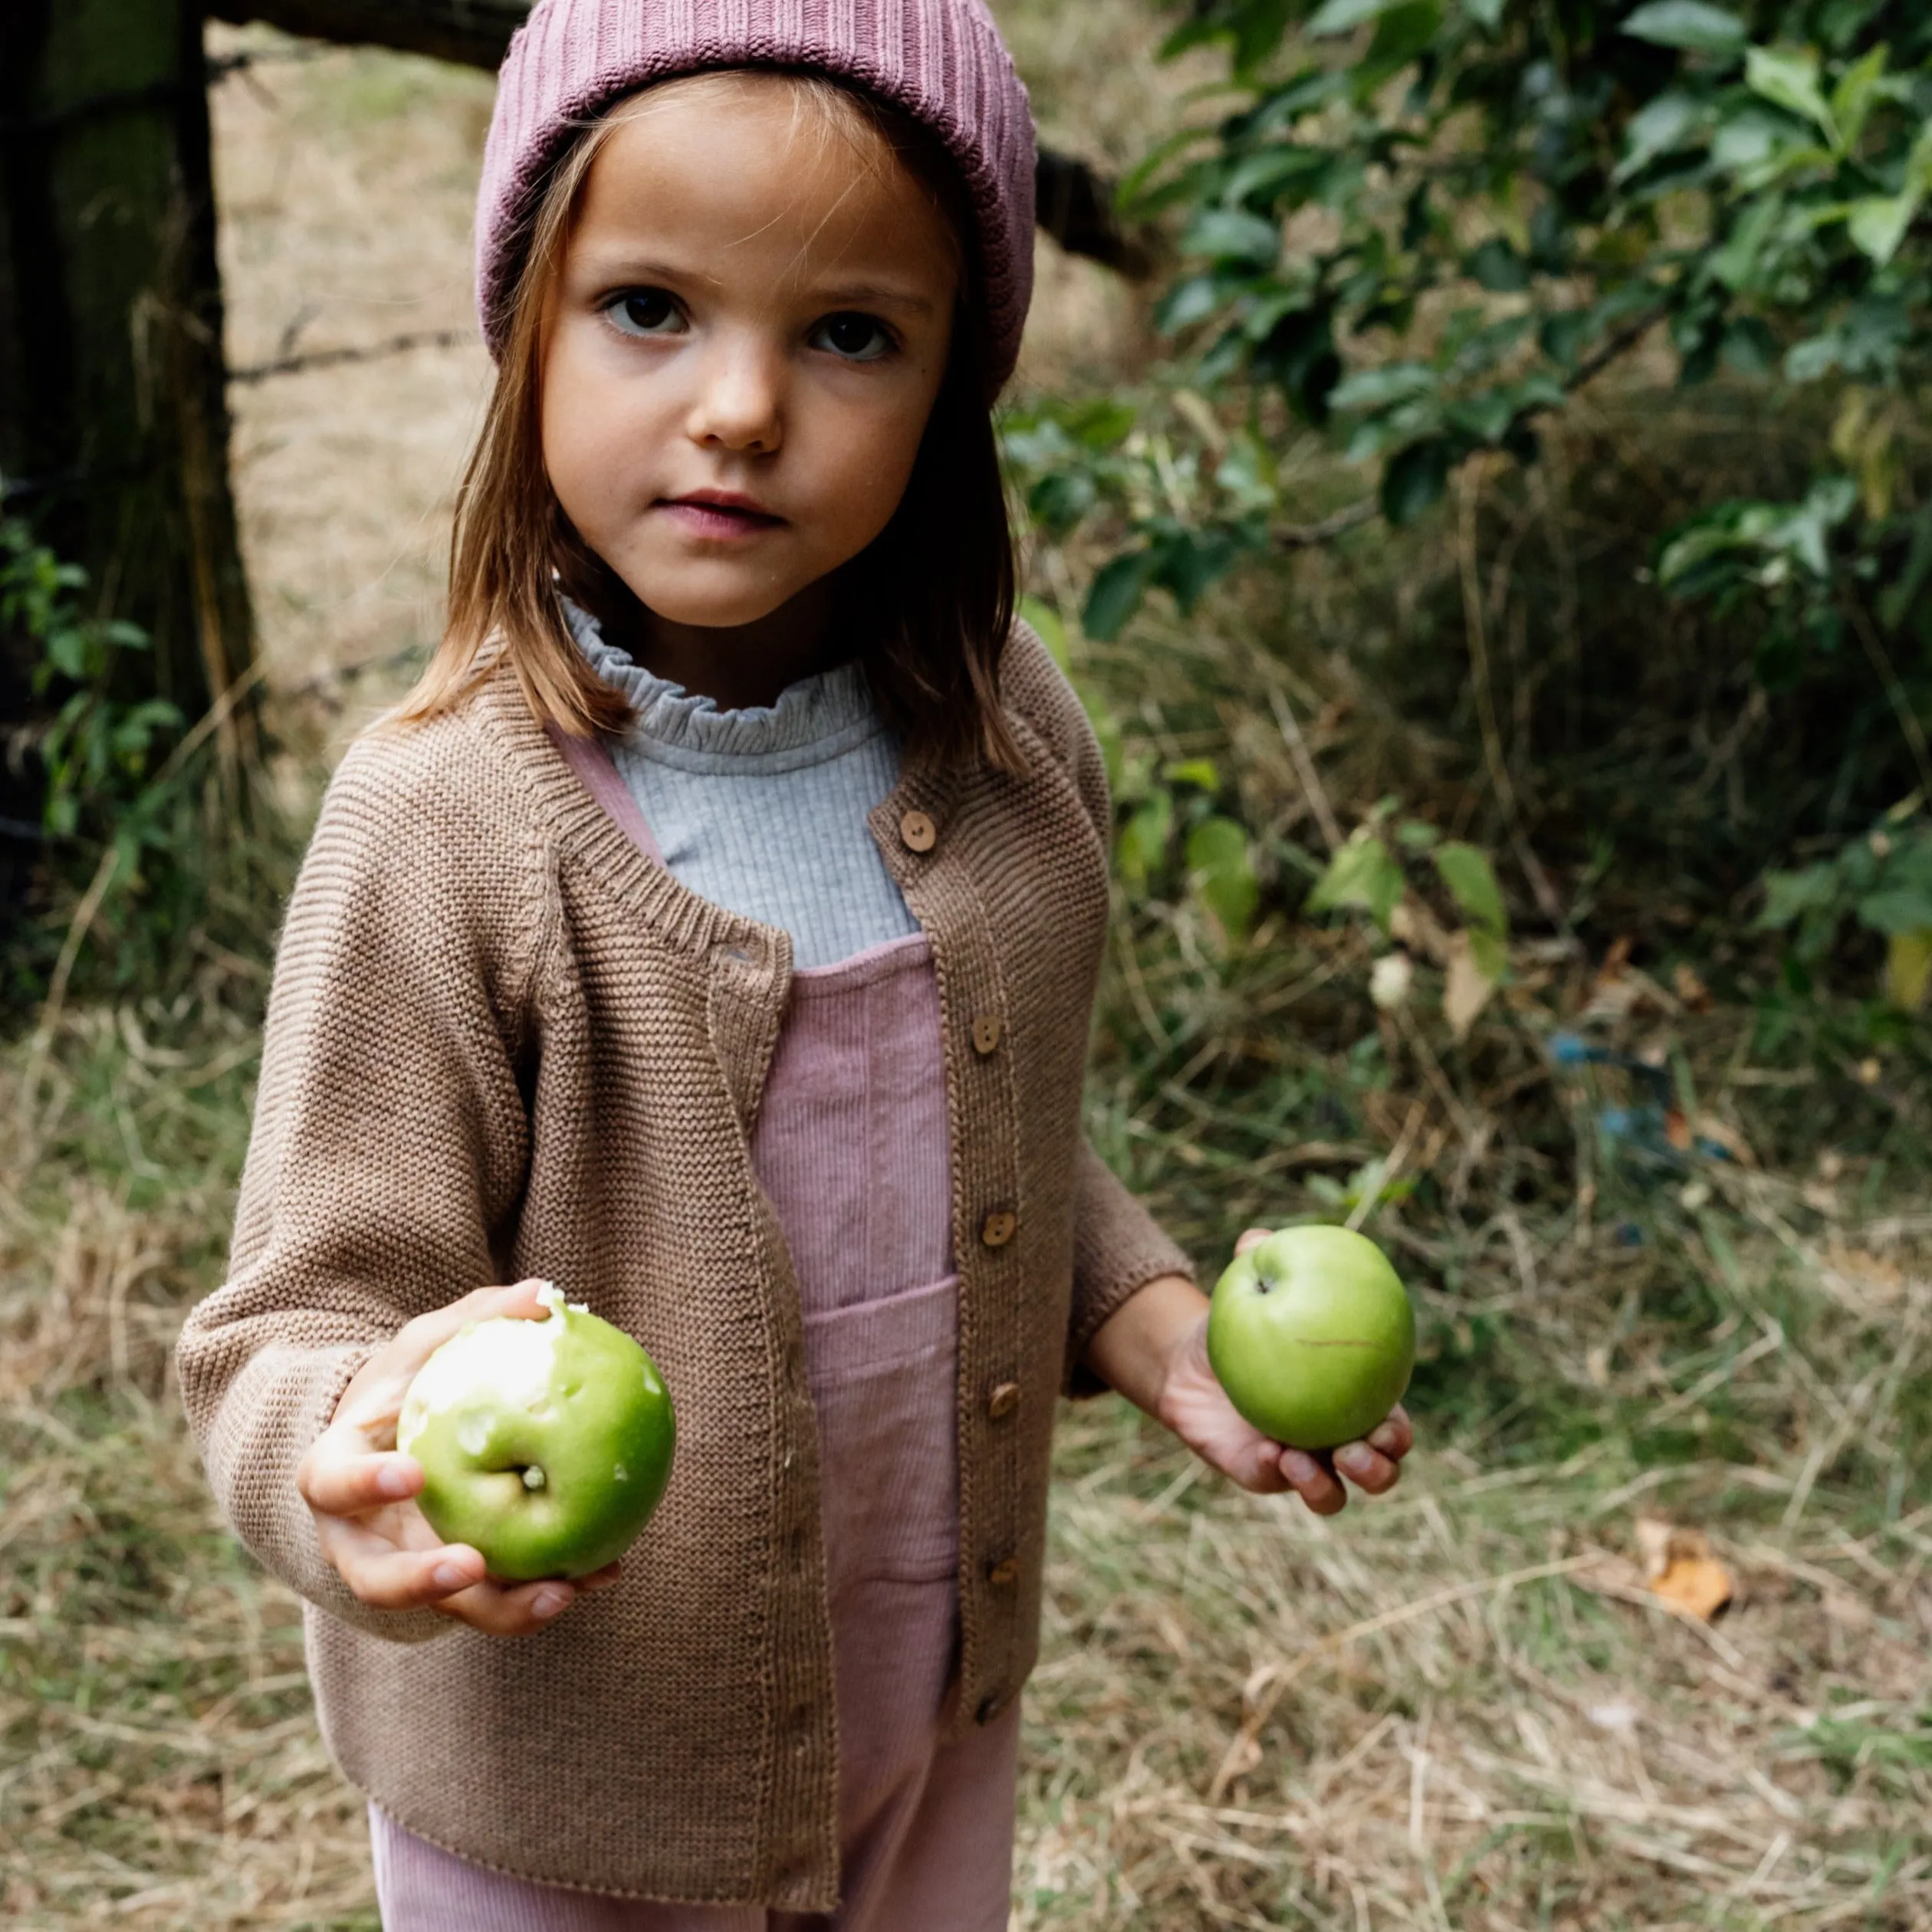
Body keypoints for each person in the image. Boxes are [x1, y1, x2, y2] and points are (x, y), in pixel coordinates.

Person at [173, 2, 1414, 1925]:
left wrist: (1155, 1324)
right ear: (528, 332)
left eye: (848, 333)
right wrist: (345, 1462)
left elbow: (979, 1142)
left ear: (949, 392)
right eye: (651, 308)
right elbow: (289, 1325)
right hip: (572, 1773)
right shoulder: (447, 825)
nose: (741, 406)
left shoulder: (1001, 745)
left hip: (925, 1702)